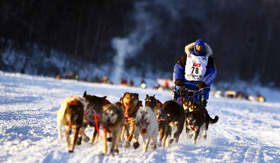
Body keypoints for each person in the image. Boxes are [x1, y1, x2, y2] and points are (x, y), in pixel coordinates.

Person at [173, 39, 217, 108]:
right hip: (185, 83)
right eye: (198, 47)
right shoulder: (187, 56)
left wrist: (204, 83)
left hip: (199, 86)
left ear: (204, 48)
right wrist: (178, 79)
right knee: (179, 102)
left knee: (197, 106)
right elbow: (178, 68)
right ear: (194, 47)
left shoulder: (208, 59)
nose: (199, 49)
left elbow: (212, 73)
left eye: (201, 47)